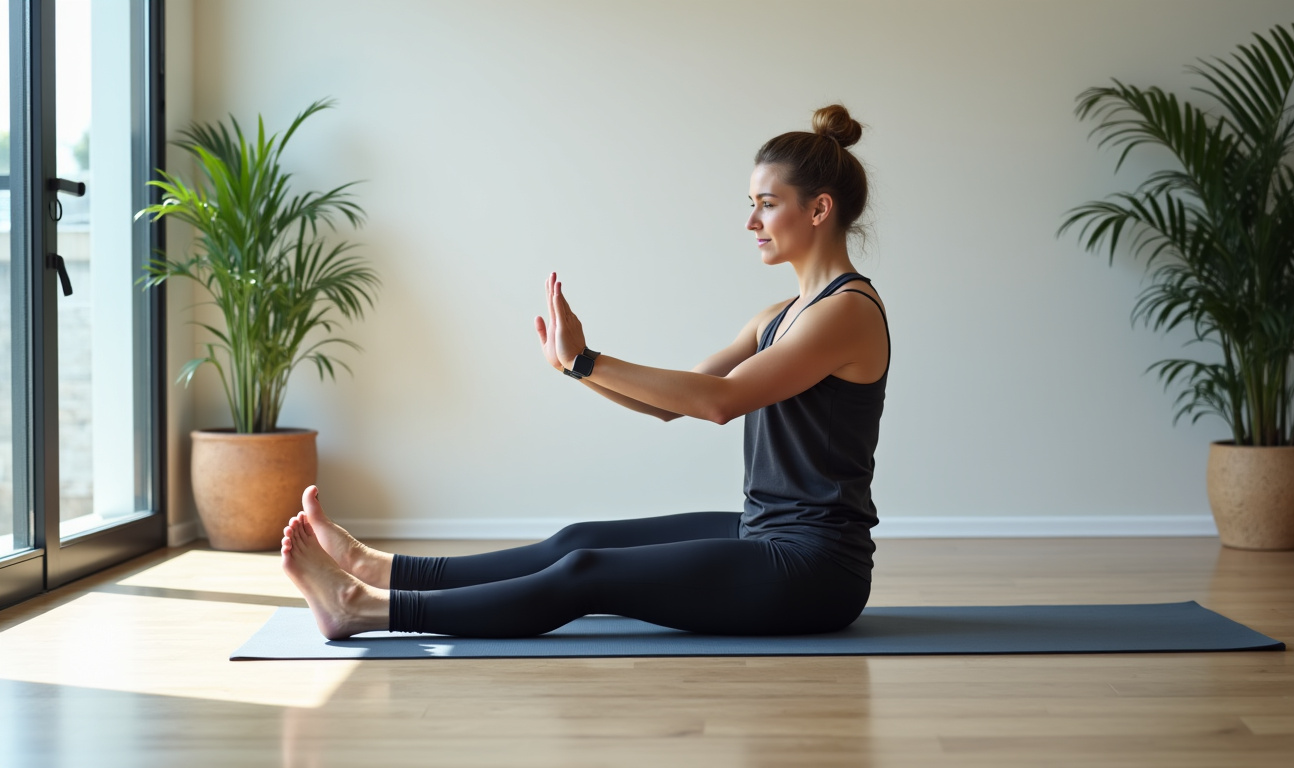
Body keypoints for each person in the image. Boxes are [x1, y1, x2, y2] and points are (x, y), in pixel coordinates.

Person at [280, 104, 890, 639]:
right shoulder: (778, 316)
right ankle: (379, 569)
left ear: (818, 210)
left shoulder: (846, 315)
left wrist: (588, 360)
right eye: (750, 204)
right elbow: (669, 403)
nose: (750, 222)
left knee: (586, 575)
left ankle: (363, 608)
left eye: (766, 204)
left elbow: (720, 402)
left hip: (816, 568)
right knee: (579, 540)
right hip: (764, 531)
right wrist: (578, 368)